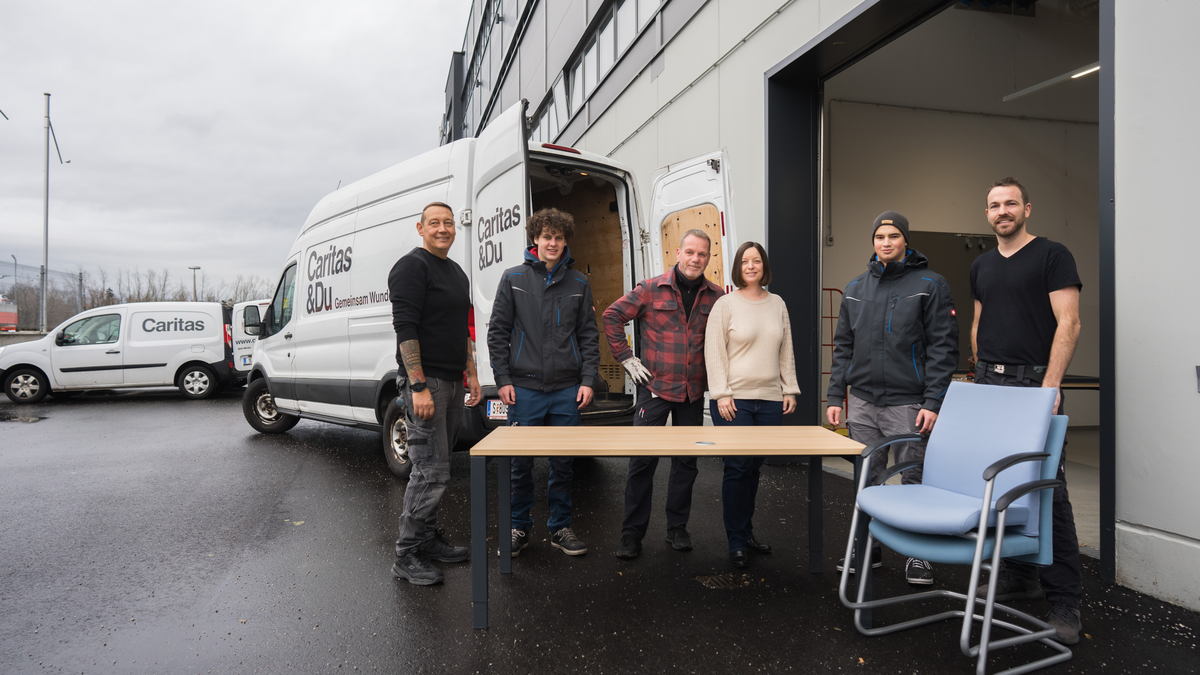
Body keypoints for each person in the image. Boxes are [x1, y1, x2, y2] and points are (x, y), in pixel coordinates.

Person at [971, 177, 1084, 645]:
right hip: (990, 384)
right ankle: (1020, 576)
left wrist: (1050, 386)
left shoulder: (1053, 256)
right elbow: (979, 323)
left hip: (1034, 383)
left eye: (1011, 203)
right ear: (987, 214)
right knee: (1000, 483)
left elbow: (1070, 322)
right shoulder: (980, 264)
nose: (1003, 211)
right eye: (995, 205)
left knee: (1047, 491)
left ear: (1027, 209)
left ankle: (1065, 601)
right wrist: (979, 378)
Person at [826, 211, 959, 586]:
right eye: (880, 236)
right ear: (873, 242)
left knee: (913, 478)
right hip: (864, 402)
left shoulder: (929, 285)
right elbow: (843, 348)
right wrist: (836, 394)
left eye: (894, 236)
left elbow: (943, 348)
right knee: (866, 478)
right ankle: (866, 546)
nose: (886, 242)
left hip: (908, 403)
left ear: (905, 241)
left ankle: (919, 554)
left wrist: (933, 401)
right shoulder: (855, 289)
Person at [602, 229, 724, 559]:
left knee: (686, 463)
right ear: (677, 253)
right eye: (690, 252)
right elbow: (612, 316)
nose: (695, 259)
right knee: (642, 462)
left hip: (692, 393)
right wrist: (626, 357)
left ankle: (677, 529)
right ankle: (631, 535)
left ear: (708, 258)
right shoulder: (651, 288)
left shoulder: (716, 296)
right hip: (654, 390)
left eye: (702, 254)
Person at [487, 207, 601, 557]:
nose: (553, 242)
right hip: (524, 389)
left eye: (559, 237)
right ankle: (519, 527)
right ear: (534, 239)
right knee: (519, 463)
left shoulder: (579, 283)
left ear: (565, 241)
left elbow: (589, 336)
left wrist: (588, 380)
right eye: (546, 236)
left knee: (563, 462)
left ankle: (560, 528)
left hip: (567, 390)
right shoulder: (513, 278)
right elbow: (497, 333)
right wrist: (503, 379)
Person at [388, 201, 482, 586]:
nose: (443, 228)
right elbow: (405, 328)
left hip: (453, 380)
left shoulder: (456, 272)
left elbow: (463, 329)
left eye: (448, 222)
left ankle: (427, 539)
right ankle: (406, 554)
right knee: (429, 471)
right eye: (434, 223)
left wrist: (472, 374)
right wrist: (419, 385)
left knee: (440, 467)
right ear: (420, 228)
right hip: (427, 385)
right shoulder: (412, 267)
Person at [704, 241, 800, 569]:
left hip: (771, 400)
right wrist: (722, 393)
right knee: (737, 467)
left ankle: (746, 532)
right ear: (738, 267)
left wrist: (790, 389)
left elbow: (785, 349)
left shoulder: (777, 304)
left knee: (754, 468)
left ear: (764, 266)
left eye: (756, 261)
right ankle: (735, 541)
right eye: (745, 261)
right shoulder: (725, 305)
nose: (750, 266)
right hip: (735, 401)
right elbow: (713, 351)